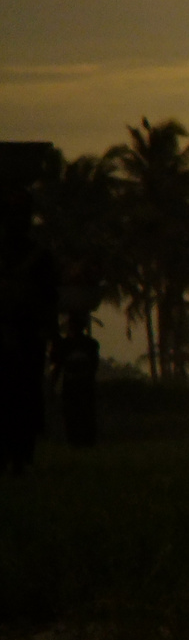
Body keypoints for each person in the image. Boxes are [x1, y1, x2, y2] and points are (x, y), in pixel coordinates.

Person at [0, 176, 58, 473]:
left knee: (25, 395)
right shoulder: (39, 257)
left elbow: (50, 300)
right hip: (14, 335)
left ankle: (21, 453)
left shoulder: (40, 258)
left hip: (27, 335)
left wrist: (49, 334)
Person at [52, 307, 100, 448]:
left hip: (82, 386)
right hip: (75, 386)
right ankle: (77, 441)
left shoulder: (89, 345)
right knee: (74, 415)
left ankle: (84, 441)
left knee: (83, 415)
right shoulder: (69, 345)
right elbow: (58, 364)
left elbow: (93, 366)